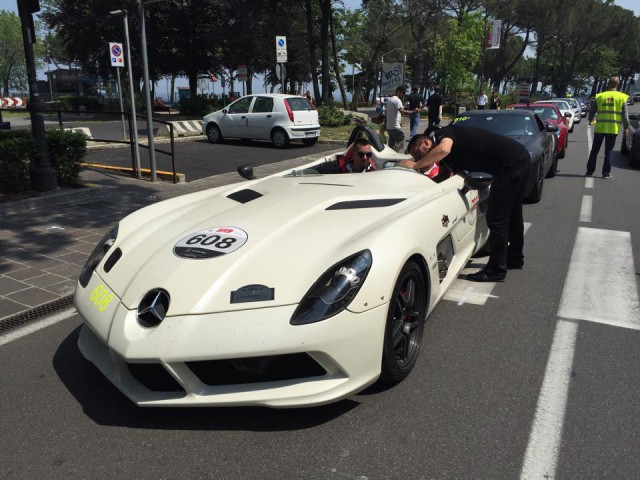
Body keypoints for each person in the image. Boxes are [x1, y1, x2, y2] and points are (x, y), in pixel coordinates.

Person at [398, 125, 530, 282]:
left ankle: (496, 270)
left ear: (426, 143)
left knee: (497, 218)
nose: (420, 159)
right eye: (417, 158)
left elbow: (444, 149)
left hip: (509, 163)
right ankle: (514, 258)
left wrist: (414, 165)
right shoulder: (447, 157)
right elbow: (442, 177)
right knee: (514, 214)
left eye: (418, 154)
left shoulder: (444, 134)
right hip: (518, 158)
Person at [585, 75, 630, 179]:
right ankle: (606, 173)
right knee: (608, 151)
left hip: (600, 128)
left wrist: (590, 120)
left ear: (608, 84)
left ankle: (589, 172)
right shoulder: (622, 97)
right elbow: (625, 115)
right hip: (613, 129)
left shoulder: (600, 96)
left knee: (594, 150)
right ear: (618, 84)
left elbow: (592, 111)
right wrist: (626, 127)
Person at [311, 138, 377, 174]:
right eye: (361, 154)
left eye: (368, 154)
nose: (365, 158)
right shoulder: (337, 168)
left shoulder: (373, 173)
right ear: (353, 154)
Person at [385, 86, 420, 152]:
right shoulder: (397, 100)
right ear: (398, 91)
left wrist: (385, 125)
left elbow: (386, 113)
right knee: (401, 141)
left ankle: (391, 155)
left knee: (392, 143)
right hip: (395, 126)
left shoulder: (390, 100)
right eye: (403, 93)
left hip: (389, 126)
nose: (403, 95)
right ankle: (395, 154)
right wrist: (413, 111)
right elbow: (402, 112)